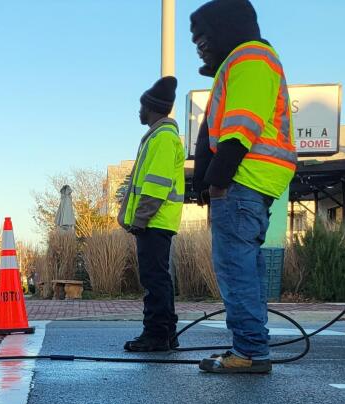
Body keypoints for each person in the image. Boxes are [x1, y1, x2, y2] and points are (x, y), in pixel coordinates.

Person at [191, 0, 295, 374]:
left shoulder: (250, 58)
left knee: (236, 269)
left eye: (203, 36)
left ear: (225, 27)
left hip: (243, 180)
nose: (198, 44)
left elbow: (240, 127)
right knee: (243, 268)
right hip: (247, 182)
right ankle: (249, 347)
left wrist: (218, 179)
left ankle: (249, 351)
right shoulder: (239, 62)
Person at [119, 76, 186, 352]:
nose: (139, 111)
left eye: (141, 106)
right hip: (157, 221)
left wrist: (140, 219)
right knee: (159, 277)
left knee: (154, 279)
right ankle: (166, 333)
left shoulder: (162, 139)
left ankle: (157, 335)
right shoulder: (160, 138)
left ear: (153, 108)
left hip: (154, 222)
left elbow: (156, 186)